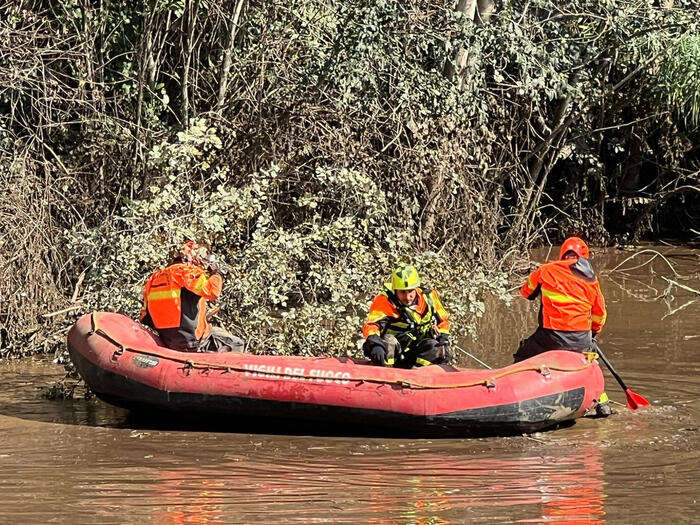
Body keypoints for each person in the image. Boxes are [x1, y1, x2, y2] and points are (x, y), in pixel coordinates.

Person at [515, 236, 611, 416]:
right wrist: (593, 333)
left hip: (551, 336)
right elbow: (600, 313)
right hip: (581, 337)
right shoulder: (591, 279)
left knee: (523, 355)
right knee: (592, 364)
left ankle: (519, 394)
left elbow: (526, 292)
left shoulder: (545, 271)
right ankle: (602, 402)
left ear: (562, 254)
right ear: (583, 257)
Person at [140, 241, 244, 353]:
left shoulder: (154, 278)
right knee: (236, 344)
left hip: (167, 340)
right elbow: (213, 291)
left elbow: (145, 317)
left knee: (214, 330)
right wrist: (216, 273)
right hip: (191, 341)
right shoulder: (185, 272)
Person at [362, 264, 452, 368]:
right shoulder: (385, 300)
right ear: (395, 290)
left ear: (416, 288)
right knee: (388, 342)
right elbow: (371, 324)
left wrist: (444, 338)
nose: (407, 297)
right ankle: (386, 375)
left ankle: (419, 378)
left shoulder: (429, 297)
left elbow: (444, 320)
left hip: (418, 348)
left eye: (410, 291)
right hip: (394, 348)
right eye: (402, 292)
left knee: (435, 348)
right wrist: (375, 344)